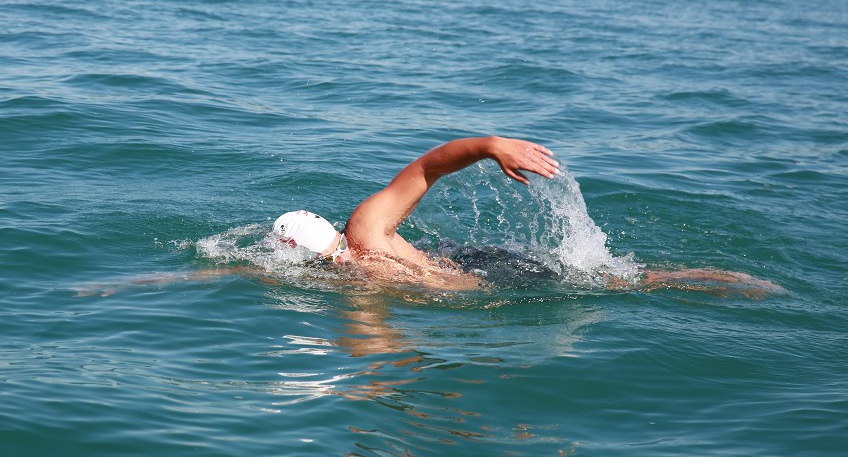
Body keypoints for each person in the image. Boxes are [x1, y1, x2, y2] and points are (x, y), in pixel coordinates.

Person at [270, 135, 783, 296]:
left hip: (482, 269)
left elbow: (428, 169)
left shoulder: (366, 234)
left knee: (616, 282)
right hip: (466, 263)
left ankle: (720, 280)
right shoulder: (358, 238)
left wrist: (493, 145)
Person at [271, 135, 560, 289]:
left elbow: (426, 168)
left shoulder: (366, 226)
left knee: (584, 279)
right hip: (463, 272)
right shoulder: (348, 270)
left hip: (488, 269)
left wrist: (490, 146)